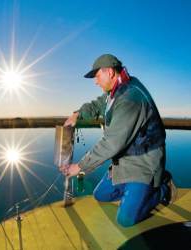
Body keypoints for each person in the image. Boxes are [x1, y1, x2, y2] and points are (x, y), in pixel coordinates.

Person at [60, 54, 177, 227]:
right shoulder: (116, 90)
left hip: (144, 163)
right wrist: (78, 114)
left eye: (97, 76)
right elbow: (98, 104)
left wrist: (80, 167)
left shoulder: (130, 98)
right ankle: (136, 190)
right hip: (125, 162)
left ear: (109, 72)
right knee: (101, 195)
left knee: (125, 220)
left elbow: (111, 143)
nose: (95, 81)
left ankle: (163, 189)